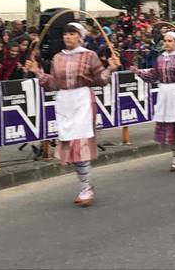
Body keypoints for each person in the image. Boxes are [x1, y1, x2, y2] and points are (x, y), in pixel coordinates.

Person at [25, 22, 120, 207]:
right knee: (71, 145)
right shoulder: (57, 58)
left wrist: (110, 68)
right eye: (65, 34)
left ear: (80, 36)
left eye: (71, 33)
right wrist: (37, 72)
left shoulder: (90, 56)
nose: (67, 37)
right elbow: (53, 84)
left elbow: (100, 80)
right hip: (64, 103)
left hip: (82, 101)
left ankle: (85, 188)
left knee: (81, 144)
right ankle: (86, 185)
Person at [132, 31, 175, 173]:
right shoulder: (159, 59)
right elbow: (153, 75)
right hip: (164, 94)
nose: (167, 43)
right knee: (170, 127)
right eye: (165, 40)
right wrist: (138, 72)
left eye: (170, 41)